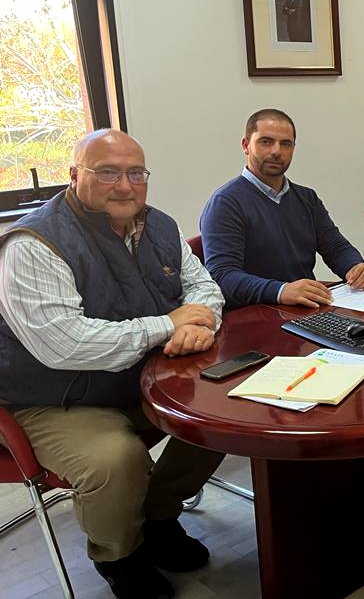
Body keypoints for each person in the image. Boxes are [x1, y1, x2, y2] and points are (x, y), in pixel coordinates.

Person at [0, 130, 226, 599]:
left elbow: (203, 287)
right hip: (54, 398)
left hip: (141, 378)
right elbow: (63, 346)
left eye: (135, 173)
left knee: (225, 412)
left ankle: (159, 515)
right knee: (115, 459)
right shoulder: (34, 243)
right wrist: (168, 325)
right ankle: (120, 555)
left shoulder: (158, 226)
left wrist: (197, 322)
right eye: (106, 172)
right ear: (74, 175)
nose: (124, 185)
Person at [200, 108, 364, 310]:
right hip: (255, 315)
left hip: (305, 310)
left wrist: (355, 266)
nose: (276, 151)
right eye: (266, 142)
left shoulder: (307, 198)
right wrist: (281, 291)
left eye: (285, 144)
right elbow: (222, 276)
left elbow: (335, 247)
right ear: (246, 145)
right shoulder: (225, 203)